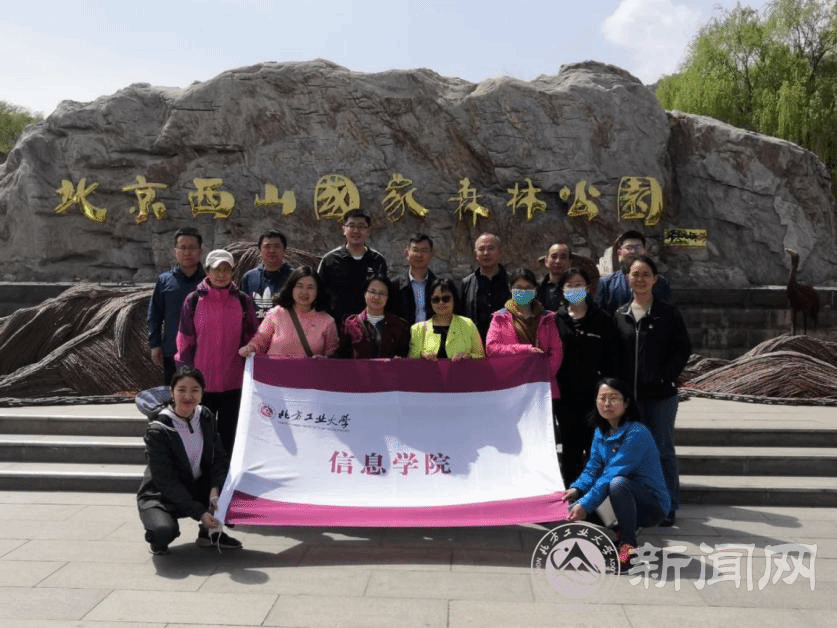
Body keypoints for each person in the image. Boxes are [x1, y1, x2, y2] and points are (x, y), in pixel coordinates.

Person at [561, 377, 670, 570]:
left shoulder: (637, 433)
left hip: (651, 505)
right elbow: (593, 467)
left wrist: (586, 505)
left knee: (617, 483)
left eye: (613, 398)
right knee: (577, 500)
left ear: (626, 403)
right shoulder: (601, 431)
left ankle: (628, 544)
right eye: (602, 398)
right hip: (620, 495)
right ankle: (620, 530)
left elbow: (612, 473)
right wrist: (577, 489)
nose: (606, 404)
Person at [614, 255, 691, 527]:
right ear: (627, 278)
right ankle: (637, 503)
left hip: (660, 396)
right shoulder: (620, 314)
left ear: (655, 279)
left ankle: (668, 505)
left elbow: (683, 349)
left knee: (662, 450)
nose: (640, 279)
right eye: (635, 274)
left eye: (646, 274)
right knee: (631, 451)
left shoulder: (667, 314)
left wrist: (664, 376)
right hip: (629, 399)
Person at [137, 366, 242, 554]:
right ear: (172, 392)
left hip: (196, 487)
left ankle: (209, 534)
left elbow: (218, 458)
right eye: (181, 390)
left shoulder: (205, 416)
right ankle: (158, 538)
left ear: (202, 393)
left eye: (195, 390)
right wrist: (200, 513)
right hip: (161, 495)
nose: (188, 396)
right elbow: (166, 481)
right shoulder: (158, 429)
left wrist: (215, 490)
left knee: (233, 500)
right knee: (163, 531)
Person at [176, 249, 259, 456]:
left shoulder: (243, 301)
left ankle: (226, 474)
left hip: (235, 381)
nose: (221, 274)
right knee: (200, 435)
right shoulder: (193, 300)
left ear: (233, 272)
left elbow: (253, 336)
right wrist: (186, 373)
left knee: (230, 435)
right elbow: (185, 338)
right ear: (207, 271)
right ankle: (203, 473)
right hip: (202, 382)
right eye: (216, 269)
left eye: (226, 269)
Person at [554, 266, 619, 486]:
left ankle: (596, 496)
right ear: (562, 289)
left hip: (596, 397)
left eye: (578, 285)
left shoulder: (603, 319)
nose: (574, 289)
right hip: (565, 397)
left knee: (595, 448)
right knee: (570, 449)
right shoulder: (555, 320)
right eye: (569, 285)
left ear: (588, 287)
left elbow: (614, 359)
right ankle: (571, 494)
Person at [485, 268, 563, 400]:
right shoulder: (499, 318)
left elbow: (556, 350)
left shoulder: (547, 318)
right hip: (511, 385)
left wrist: (544, 374)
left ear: (535, 290)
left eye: (528, 288)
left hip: (542, 385)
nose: (523, 291)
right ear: (510, 289)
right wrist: (524, 350)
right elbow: (491, 348)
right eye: (519, 288)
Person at [239, 266, 339, 358]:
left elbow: (333, 354)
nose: (304, 292)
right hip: (275, 371)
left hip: (309, 372)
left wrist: (325, 359)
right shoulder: (276, 313)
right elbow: (260, 340)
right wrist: (250, 348)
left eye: (310, 287)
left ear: (318, 291)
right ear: (291, 288)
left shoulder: (328, 321)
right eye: (299, 286)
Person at [148, 227, 206, 385]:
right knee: (175, 393)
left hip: (205, 351)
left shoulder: (209, 280)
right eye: (182, 247)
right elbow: (155, 315)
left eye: (192, 248)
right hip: (173, 350)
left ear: (200, 251)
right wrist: (155, 345)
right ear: (175, 251)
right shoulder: (165, 280)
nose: (187, 252)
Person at [317, 209, 388, 325]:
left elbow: (384, 294)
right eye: (351, 226)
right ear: (343, 229)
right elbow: (319, 295)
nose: (356, 230)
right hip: (337, 326)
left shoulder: (377, 260)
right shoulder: (330, 260)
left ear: (368, 231)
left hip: (368, 327)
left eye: (361, 226)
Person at [595, 230, 672, 315]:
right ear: (619, 252)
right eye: (629, 248)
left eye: (638, 247)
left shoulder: (660, 282)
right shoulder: (606, 283)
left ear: (645, 251)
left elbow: (667, 313)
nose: (633, 251)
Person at [409, 278, 484, 361]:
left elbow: (481, 357)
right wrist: (422, 357)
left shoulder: (468, 325)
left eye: (446, 299)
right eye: (436, 300)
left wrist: (468, 356)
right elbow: (411, 362)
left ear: (454, 299)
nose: (441, 303)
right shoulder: (418, 329)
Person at [339, 275, 410, 358]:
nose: (376, 297)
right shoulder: (350, 324)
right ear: (365, 294)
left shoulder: (399, 325)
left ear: (388, 297)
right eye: (372, 292)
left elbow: (404, 356)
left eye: (382, 293)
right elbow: (342, 357)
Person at [460, 233, 511, 342]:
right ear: (476, 254)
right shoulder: (466, 284)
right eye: (481, 249)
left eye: (491, 248)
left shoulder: (511, 282)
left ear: (500, 252)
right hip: (475, 346)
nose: (486, 253)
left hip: (506, 345)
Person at [239, 229, 294, 318]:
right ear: (259, 252)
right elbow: (242, 308)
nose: (272, 250)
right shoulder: (249, 277)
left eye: (276, 246)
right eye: (267, 246)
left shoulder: (294, 277)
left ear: (284, 251)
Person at [391, 233, 437, 325]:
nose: (419, 255)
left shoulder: (438, 286)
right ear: (406, 253)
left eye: (424, 251)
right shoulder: (394, 286)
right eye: (415, 250)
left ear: (432, 254)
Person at [537, 242, 572, 312]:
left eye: (563, 257)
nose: (558, 261)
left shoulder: (575, 289)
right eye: (554, 257)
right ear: (546, 261)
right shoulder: (537, 288)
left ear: (570, 262)